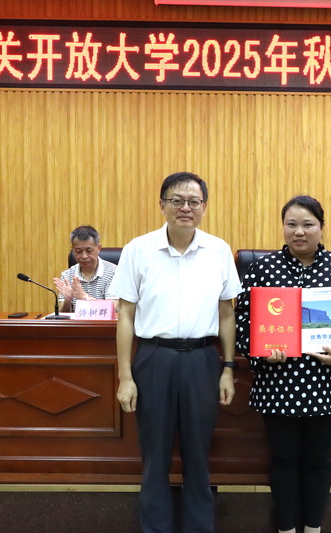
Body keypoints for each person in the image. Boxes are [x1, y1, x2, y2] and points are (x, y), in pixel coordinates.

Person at [111, 172, 241, 533]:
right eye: (177, 200)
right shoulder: (138, 250)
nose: (185, 208)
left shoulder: (218, 250)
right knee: (155, 455)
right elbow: (126, 315)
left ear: (204, 207)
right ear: (162, 205)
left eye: (193, 202)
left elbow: (226, 313)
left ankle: (200, 526)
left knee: (198, 454)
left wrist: (228, 368)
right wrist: (125, 377)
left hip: (202, 360)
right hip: (154, 359)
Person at [235, 195, 331, 533]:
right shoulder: (262, 269)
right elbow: (242, 322)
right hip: (278, 381)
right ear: (283, 227)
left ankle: (312, 528)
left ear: (321, 228)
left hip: (328, 383)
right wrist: (260, 351)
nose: (299, 232)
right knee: (282, 460)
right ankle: (285, 527)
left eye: (308, 224)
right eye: (291, 224)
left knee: (318, 461)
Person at [53, 225, 117, 312]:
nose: (84, 256)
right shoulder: (67, 275)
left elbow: (112, 309)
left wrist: (84, 297)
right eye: (78, 251)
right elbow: (62, 315)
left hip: (103, 321)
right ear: (73, 249)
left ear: (99, 248)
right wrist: (67, 301)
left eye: (89, 251)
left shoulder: (113, 272)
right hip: (77, 321)